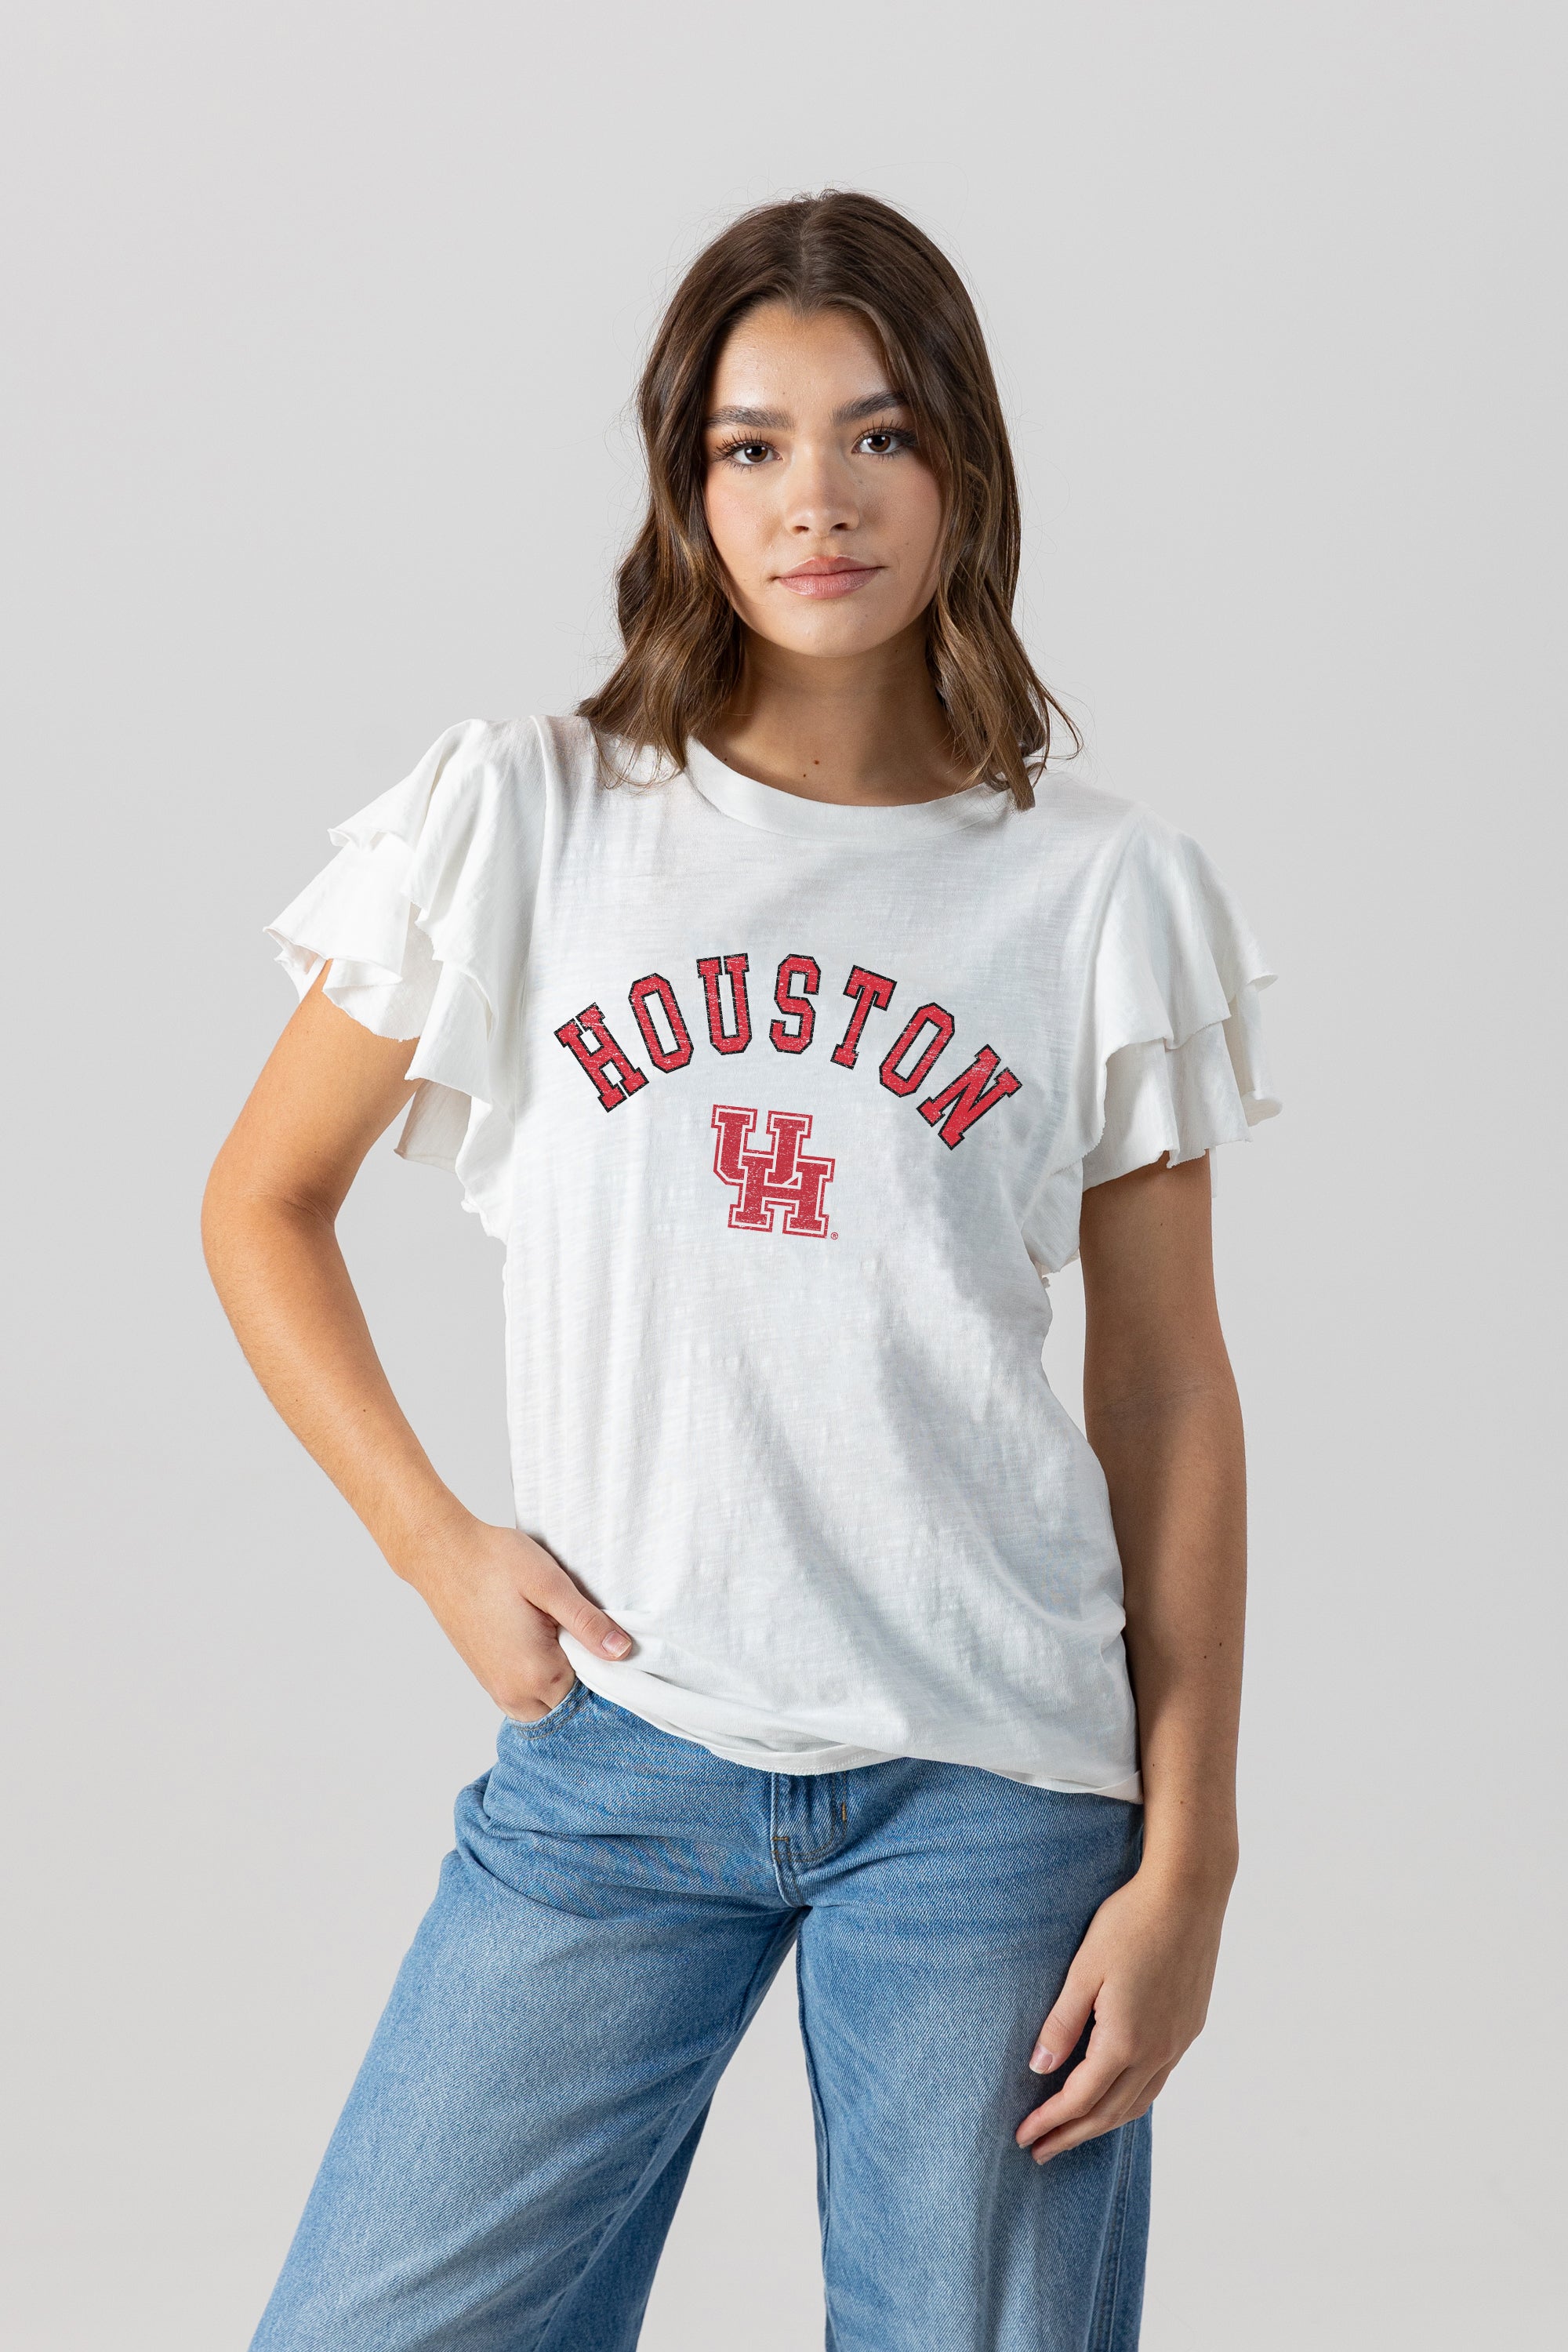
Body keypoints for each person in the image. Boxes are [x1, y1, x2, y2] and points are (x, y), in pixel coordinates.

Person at [203, 189, 1279, 2352]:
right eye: (751, 444)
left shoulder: (1097, 894)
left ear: (962, 465)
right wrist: (436, 1546)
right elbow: (262, 1203)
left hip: (994, 1787)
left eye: (880, 435)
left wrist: (1193, 1855)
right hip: (625, 1750)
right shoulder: (531, 819)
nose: (819, 499)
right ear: (685, 488)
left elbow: (1163, 1386)